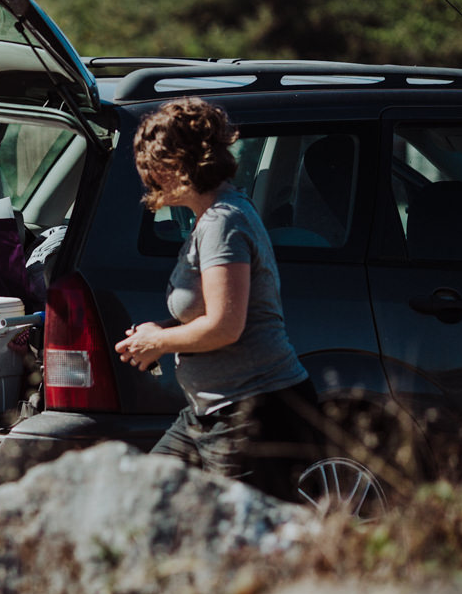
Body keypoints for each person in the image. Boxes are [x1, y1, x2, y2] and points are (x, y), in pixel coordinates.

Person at [114, 97, 318, 500]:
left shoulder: (224, 222)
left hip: (254, 413)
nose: (147, 178)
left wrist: (156, 342)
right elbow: (210, 311)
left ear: (180, 164)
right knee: (140, 497)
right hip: (209, 412)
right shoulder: (210, 219)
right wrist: (162, 330)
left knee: (241, 547)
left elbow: (226, 326)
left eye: (152, 167)